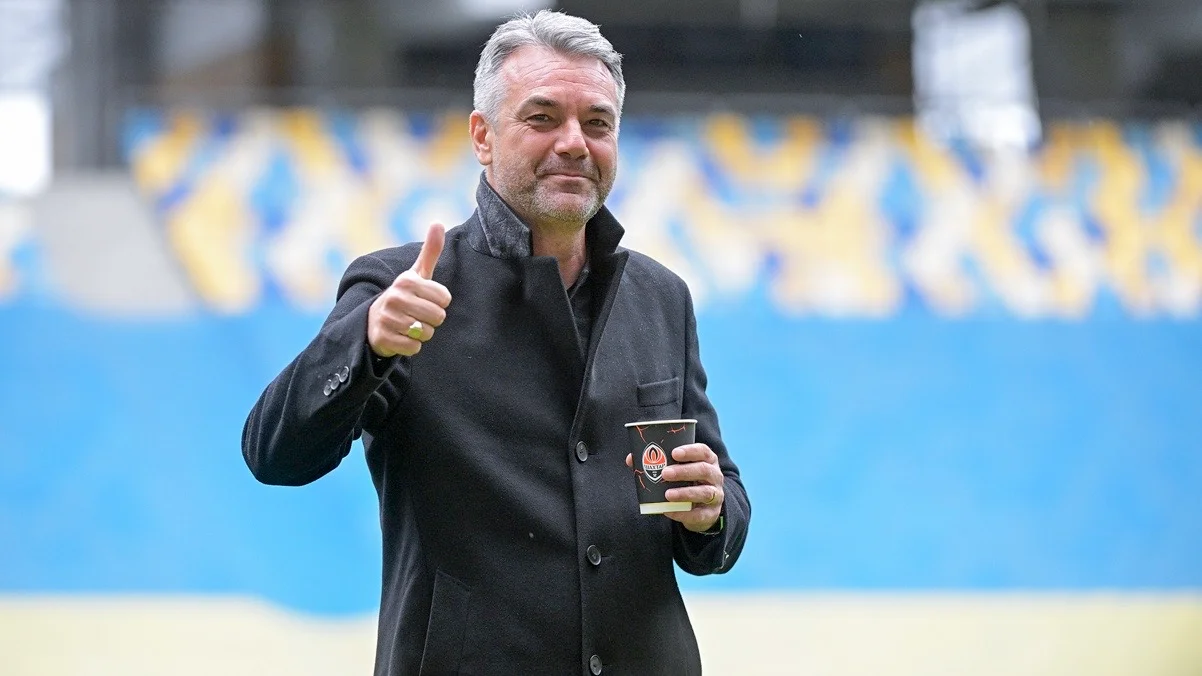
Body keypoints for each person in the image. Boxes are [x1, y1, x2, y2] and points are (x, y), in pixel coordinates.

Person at [242, 10, 749, 676]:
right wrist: (366, 342)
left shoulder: (663, 297)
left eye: (598, 123)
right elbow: (274, 453)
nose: (574, 142)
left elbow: (720, 505)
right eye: (542, 118)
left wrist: (712, 512)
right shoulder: (401, 288)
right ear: (482, 136)